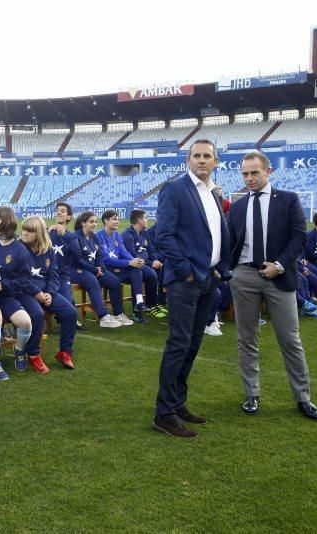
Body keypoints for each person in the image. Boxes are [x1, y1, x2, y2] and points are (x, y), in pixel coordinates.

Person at [228, 151, 317, 421]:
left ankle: (303, 398)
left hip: (279, 276)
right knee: (246, 339)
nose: (249, 178)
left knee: (290, 340)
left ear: (268, 171)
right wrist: (230, 272)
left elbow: (299, 237)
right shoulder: (238, 206)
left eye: (254, 173)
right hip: (244, 277)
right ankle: (252, 394)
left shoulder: (289, 200)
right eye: (245, 174)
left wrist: (279, 265)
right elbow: (231, 242)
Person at [152, 139, 231, 438]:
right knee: (179, 344)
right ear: (188, 160)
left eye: (207, 156)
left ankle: (177, 403)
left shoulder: (211, 192)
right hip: (187, 281)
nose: (201, 160)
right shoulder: (175, 189)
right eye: (196, 156)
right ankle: (164, 413)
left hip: (208, 279)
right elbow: (164, 236)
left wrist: (219, 270)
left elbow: (215, 234)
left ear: (216, 161)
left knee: (193, 345)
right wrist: (185, 271)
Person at [0, 206, 40, 374]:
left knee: (26, 322)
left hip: (6, 295)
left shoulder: (20, 250)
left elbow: (25, 279)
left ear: (7, 222)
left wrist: (4, 285)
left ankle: (19, 351)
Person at [20, 216, 79, 371]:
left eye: (30, 231)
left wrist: (50, 293)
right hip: (25, 291)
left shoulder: (48, 249)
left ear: (39, 233)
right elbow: (20, 278)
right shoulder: (18, 248)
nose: (25, 233)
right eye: (23, 229)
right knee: (37, 314)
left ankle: (65, 352)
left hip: (46, 292)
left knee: (70, 312)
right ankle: (33, 354)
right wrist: (37, 293)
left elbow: (54, 274)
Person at [68, 212, 125, 328]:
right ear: (83, 223)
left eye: (95, 222)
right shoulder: (75, 237)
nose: (94, 224)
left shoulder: (94, 237)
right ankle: (103, 316)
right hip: (77, 270)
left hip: (93, 269)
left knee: (115, 282)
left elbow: (99, 256)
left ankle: (118, 314)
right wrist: (95, 270)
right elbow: (77, 260)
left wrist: (100, 268)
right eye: (91, 222)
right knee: (93, 282)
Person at [96, 209, 151, 324]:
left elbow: (124, 252)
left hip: (118, 269)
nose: (117, 222)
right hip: (106, 271)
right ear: (106, 220)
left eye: (118, 219)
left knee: (137, 269)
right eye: (114, 219)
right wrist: (128, 263)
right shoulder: (98, 237)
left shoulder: (116, 235)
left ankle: (139, 302)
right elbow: (106, 259)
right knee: (115, 280)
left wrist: (134, 260)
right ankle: (118, 313)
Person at [122, 210, 168, 319]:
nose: (147, 220)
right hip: (134, 266)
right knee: (149, 275)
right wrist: (150, 263)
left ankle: (156, 303)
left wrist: (155, 260)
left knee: (162, 269)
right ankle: (141, 308)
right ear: (139, 220)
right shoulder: (127, 235)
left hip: (146, 263)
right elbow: (132, 256)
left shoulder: (144, 233)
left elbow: (151, 249)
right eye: (145, 218)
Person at [48, 202, 85, 330]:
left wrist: (65, 235)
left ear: (68, 217)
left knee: (67, 298)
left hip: (63, 275)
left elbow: (77, 253)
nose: (58, 212)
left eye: (62, 211)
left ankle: (69, 318)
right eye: (57, 210)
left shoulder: (72, 236)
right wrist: (46, 234)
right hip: (46, 274)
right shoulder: (48, 232)